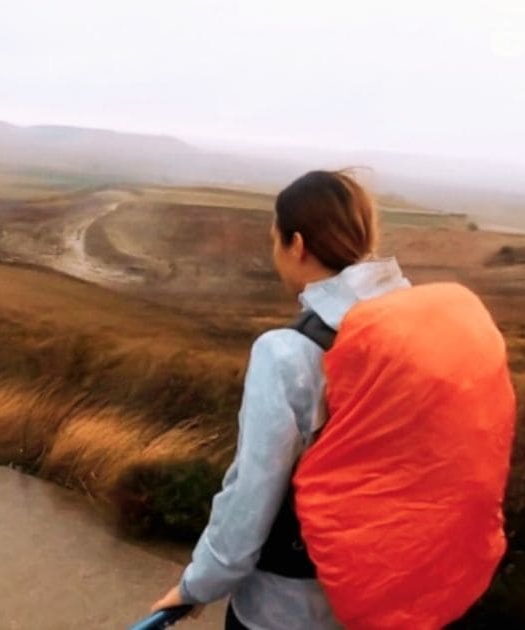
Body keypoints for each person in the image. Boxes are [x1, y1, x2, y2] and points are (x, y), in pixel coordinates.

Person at [148, 170, 405, 628]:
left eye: (275, 240)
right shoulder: (407, 329)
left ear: (298, 245)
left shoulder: (287, 352)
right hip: (383, 594)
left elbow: (252, 496)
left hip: (286, 607)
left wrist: (195, 586)